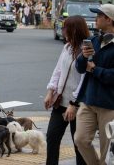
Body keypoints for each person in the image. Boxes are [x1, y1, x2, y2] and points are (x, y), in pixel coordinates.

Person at [44, 16, 89, 165]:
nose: (63, 31)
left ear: (74, 30)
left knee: (79, 144)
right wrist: (50, 91)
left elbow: (85, 80)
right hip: (60, 102)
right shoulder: (67, 47)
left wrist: (73, 103)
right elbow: (58, 71)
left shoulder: (86, 51)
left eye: (66, 28)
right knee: (52, 137)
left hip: (78, 105)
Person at [74, 4, 114, 165]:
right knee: (80, 139)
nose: (95, 18)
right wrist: (83, 57)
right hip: (89, 100)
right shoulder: (93, 40)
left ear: (109, 19)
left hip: (110, 104)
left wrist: (96, 70)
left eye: (99, 15)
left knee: (107, 147)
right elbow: (79, 68)